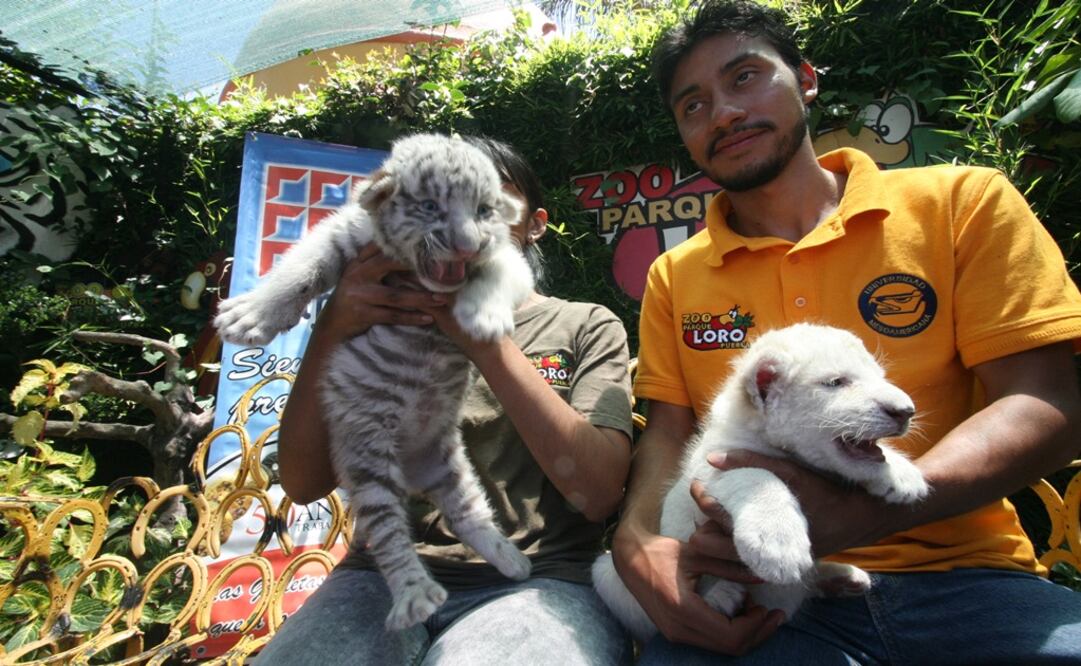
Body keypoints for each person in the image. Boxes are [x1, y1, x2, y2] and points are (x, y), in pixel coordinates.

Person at [612, 1, 1081, 663]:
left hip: (968, 574)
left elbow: (1046, 403)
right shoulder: (673, 275)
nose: (721, 113)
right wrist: (637, 546)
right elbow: (666, 433)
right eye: (692, 105)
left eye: (744, 77)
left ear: (805, 78)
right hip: (759, 592)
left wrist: (861, 516)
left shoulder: (962, 202)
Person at [253, 136, 634, 665]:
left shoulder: (583, 325)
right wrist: (333, 323)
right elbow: (302, 482)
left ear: (531, 223)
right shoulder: (376, 319)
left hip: (540, 581)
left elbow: (598, 494)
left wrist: (484, 338)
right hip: (377, 577)